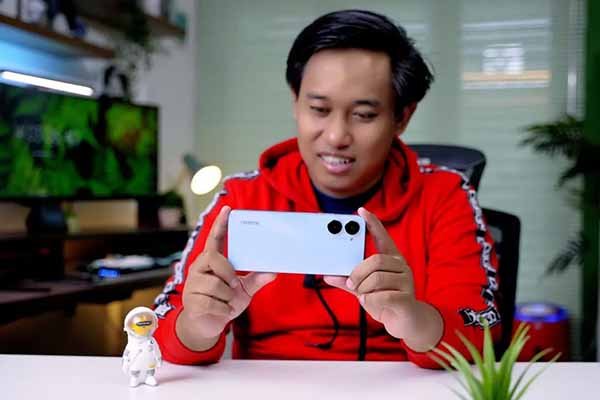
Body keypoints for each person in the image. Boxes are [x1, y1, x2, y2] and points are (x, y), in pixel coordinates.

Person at [153, 9, 500, 368]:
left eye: (364, 115)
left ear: (402, 117)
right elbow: (161, 329)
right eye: (319, 109)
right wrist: (198, 325)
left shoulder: (445, 194)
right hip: (269, 387)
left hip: (404, 385)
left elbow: (481, 328)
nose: (336, 136)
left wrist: (414, 320)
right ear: (295, 103)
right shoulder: (243, 198)